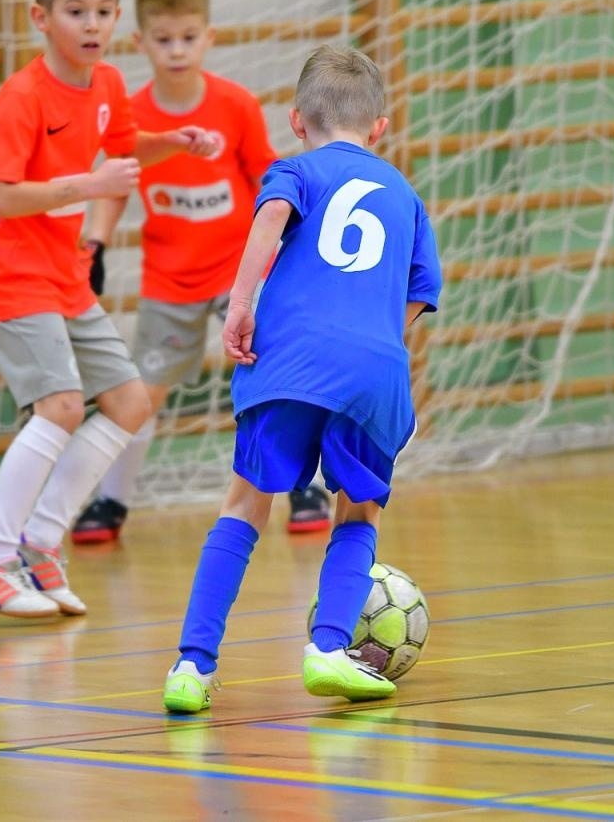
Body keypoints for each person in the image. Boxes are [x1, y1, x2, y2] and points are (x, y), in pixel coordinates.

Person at [160, 45, 442, 714]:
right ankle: (328, 650)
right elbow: (420, 292)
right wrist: (369, 350)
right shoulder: (405, 195)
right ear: (380, 127)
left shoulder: (295, 170)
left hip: (288, 360)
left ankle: (191, 667)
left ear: (296, 120)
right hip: (376, 367)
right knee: (358, 512)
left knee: (243, 505)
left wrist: (240, 304)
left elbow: (269, 221)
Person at [0, 0, 217, 618]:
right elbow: (0, 196)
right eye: (77, 12)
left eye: (104, 12)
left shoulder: (106, 84)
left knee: (130, 404)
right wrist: (88, 182)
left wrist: (176, 142)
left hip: (62, 270)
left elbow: (126, 151)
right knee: (62, 406)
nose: (93, 25)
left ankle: (42, 546)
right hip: (11, 270)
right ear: (41, 18)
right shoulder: (22, 97)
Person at [69, 0, 332, 546]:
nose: (178, 50)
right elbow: (115, 186)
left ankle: (305, 488)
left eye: (189, 37)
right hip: (170, 282)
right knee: (142, 393)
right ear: (139, 43)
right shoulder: (132, 117)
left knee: (281, 376)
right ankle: (111, 501)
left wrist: (292, 248)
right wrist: (96, 243)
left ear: (209, 37)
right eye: (164, 39)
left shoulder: (234, 105)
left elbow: (269, 183)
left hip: (242, 273)